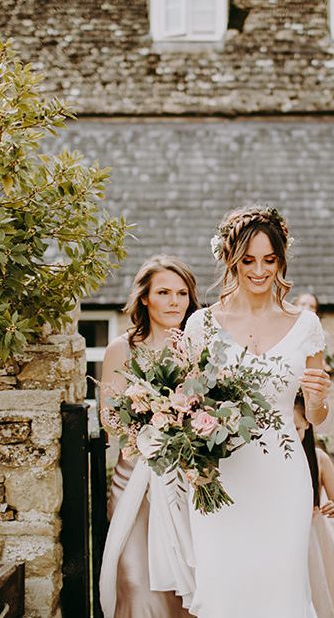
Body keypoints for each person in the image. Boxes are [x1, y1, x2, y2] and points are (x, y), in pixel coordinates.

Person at [183, 206, 331, 617]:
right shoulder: (202, 326)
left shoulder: (306, 325)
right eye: (248, 260)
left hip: (283, 478)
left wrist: (317, 398)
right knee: (225, 588)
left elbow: (316, 416)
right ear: (230, 260)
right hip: (222, 479)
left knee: (281, 588)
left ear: (281, 261)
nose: (259, 270)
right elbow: (186, 404)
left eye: (269, 260)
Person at [99, 255, 200, 618]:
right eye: (164, 292)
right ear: (145, 298)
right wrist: (148, 422)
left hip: (187, 480)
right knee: (136, 578)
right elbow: (109, 416)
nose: (175, 301)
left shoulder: (197, 348)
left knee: (188, 581)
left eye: (182, 293)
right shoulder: (120, 349)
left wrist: (182, 425)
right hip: (134, 481)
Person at [294, 397, 334, 618]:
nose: (292, 435)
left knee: (322, 586)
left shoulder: (319, 459)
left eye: (297, 428)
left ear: (307, 424)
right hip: (287, 534)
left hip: (316, 534)